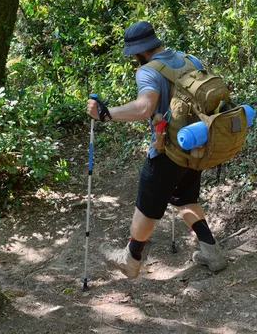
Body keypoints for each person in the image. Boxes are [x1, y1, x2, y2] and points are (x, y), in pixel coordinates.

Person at [86, 21, 227, 278]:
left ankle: (131, 259)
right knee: (186, 199)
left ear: (140, 51)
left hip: (166, 153)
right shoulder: (189, 59)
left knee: (146, 208)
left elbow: (144, 108)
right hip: (194, 144)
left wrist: (105, 114)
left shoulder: (148, 71)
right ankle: (212, 252)